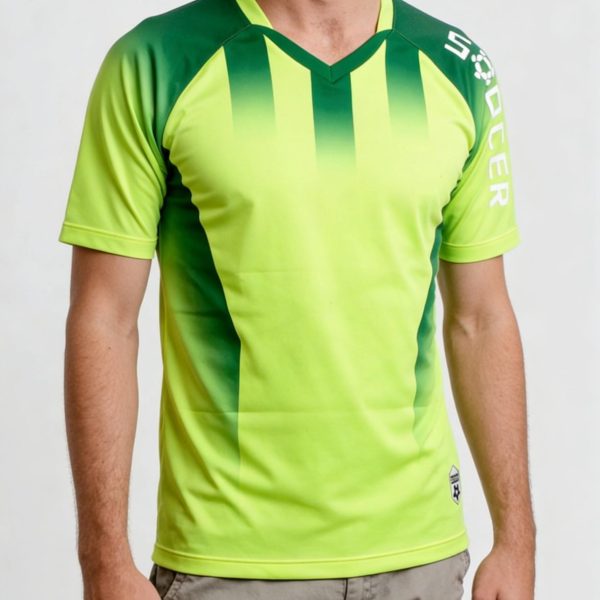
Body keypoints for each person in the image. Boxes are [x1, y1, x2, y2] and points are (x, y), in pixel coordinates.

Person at [58, 0, 536, 598]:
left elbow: (481, 318)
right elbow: (103, 318)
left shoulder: (458, 68)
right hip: (230, 563)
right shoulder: (156, 60)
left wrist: (517, 539)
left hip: (421, 557)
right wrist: (103, 559)